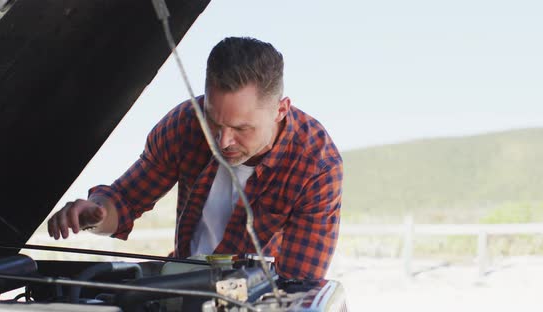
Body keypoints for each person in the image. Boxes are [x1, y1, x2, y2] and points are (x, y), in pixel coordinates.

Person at [47, 37, 343, 280]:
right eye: (214, 121)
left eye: (241, 128)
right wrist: (94, 215)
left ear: (281, 110)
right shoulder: (186, 123)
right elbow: (124, 202)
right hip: (184, 282)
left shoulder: (317, 165)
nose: (223, 141)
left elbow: (298, 283)